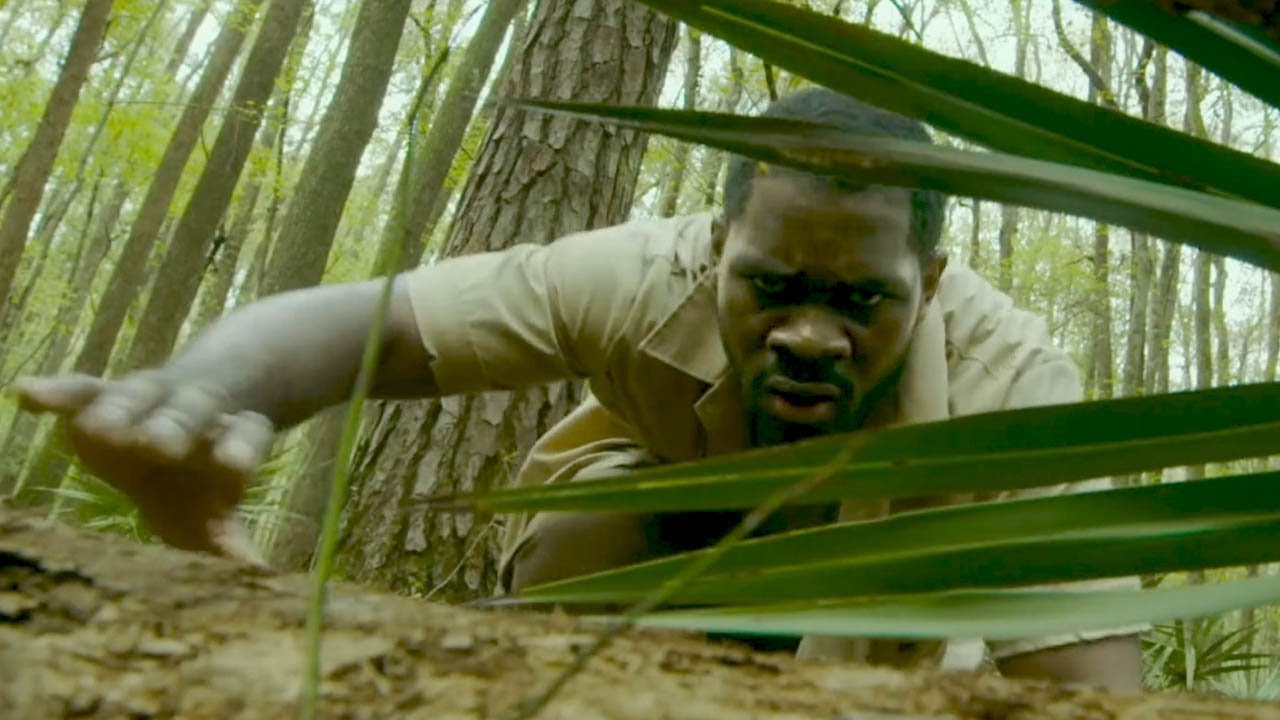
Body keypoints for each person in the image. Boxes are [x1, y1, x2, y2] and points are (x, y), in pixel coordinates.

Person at [16, 88, 1141, 687]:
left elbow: (1090, 683)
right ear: (717, 250)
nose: (809, 336)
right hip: (640, 537)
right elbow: (377, 321)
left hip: (872, 633)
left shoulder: (1018, 390)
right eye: (772, 288)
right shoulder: (642, 271)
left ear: (929, 282)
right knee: (592, 527)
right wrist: (198, 395)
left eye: (860, 301)